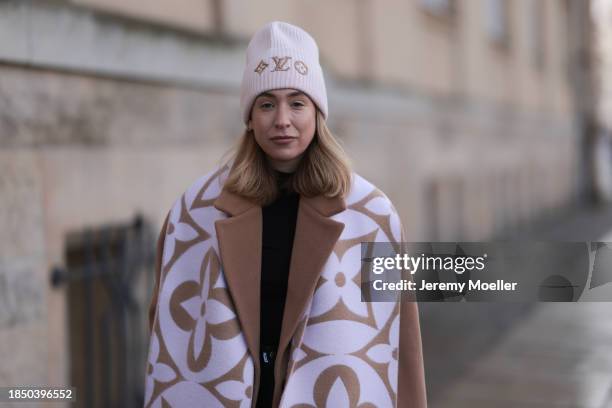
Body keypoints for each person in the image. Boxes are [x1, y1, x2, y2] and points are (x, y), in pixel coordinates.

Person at [144, 21, 426, 408]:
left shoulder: (371, 213)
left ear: (317, 112)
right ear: (249, 116)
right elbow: (168, 336)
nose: (282, 120)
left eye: (297, 102)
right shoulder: (195, 212)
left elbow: (400, 343)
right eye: (266, 103)